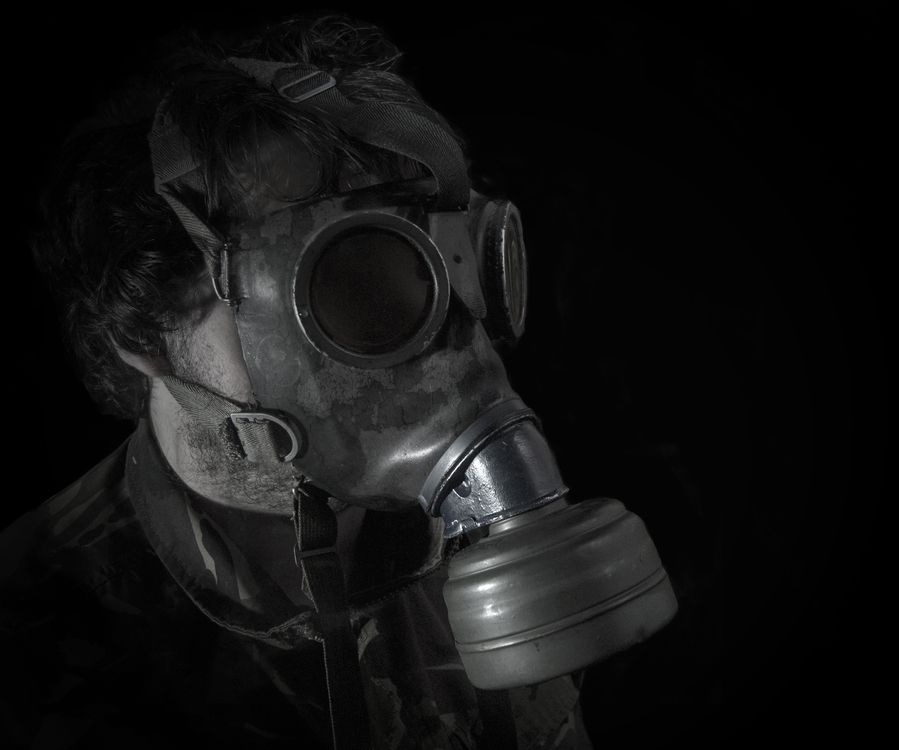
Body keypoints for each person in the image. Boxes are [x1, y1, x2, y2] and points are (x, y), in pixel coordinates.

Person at [2, 12, 678, 749]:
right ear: (145, 334)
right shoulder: (37, 647)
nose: (442, 343)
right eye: (347, 280)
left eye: (433, 261)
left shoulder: (475, 548)